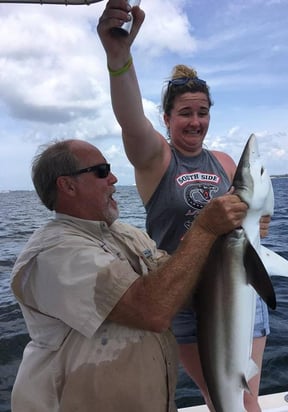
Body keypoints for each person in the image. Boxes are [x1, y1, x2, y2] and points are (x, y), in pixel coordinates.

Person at [97, 2, 271, 411]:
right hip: (188, 301)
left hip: (242, 289)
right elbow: (129, 120)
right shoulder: (156, 159)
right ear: (167, 118)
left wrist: (260, 224)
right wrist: (119, 59)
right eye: (185, 113)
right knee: (222, 398)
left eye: (203, 112)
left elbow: (254, 218)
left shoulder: (226, 163)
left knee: (248, 397)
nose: (195, 121)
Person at [10, 139, 247, 412]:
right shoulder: (53, 253)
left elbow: (178, 291)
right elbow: (152, 310)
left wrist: (235, 233)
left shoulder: (127, 234)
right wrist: (204, 229)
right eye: (101, 170)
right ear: (68, 185)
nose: (113, 178)